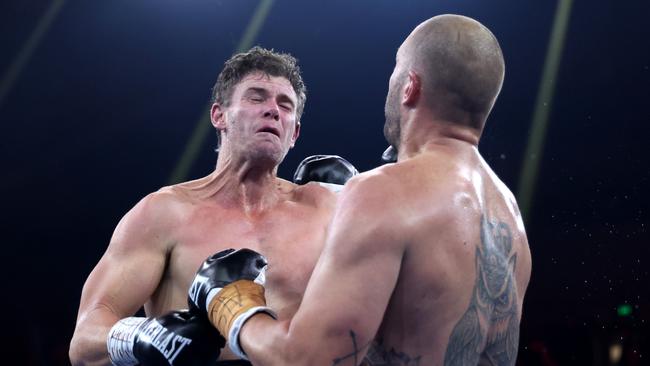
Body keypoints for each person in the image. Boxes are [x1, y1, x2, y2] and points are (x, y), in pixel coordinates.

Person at [192, 14, 533, 366]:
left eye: (395, 69)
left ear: (409, 86)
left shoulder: (384, 191)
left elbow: (306, 360)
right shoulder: (510, 218)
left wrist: (233, 305)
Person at [68, 47, 357, 365]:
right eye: (257, 97)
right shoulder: (164, 214)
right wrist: (143, 335)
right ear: (219, 115)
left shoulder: (326, 208)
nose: (273, 110)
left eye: (285, 105)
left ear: (294, 134)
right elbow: (84, 342)